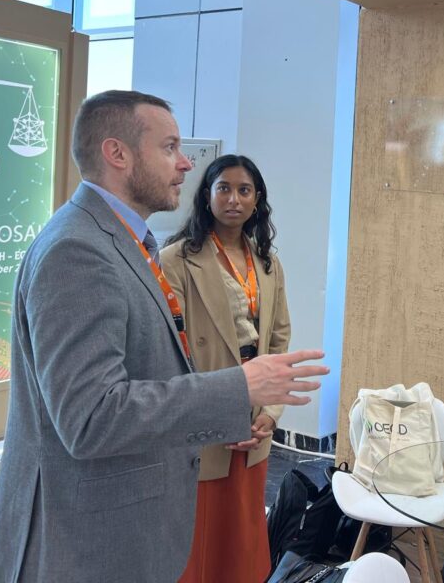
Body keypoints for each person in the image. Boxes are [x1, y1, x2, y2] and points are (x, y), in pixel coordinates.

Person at [0, 91, 327, 583]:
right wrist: (239, 388)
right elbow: (91, 418)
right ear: (117, 154)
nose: (186, 163)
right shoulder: (77, 251)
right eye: (169, 147)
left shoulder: (124, 241)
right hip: (82, 543)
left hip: (128, 522)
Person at [161, 155, 289, 583]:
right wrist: (218, 415)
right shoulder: (176, 260)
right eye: (224, 188)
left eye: (244, 190)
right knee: (200, 538)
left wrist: (270, 412)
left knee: (243, 534)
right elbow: (171, 350)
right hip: (206, 410)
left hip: (256, 411)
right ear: (206, 195)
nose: (234, 199)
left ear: (257, 200)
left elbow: (279, 341)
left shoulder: (267, 263)